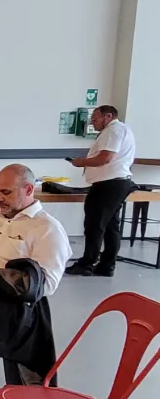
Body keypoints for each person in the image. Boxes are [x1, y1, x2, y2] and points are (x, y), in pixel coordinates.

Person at [0, 164, 71, 387]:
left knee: (24, 326)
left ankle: (29, 389)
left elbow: (47, 284)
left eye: (5, 192)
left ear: (28, 189)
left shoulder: (47, 228)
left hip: (9, 298)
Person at [65, 105, 137, 276]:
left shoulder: (113, 131)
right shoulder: (120, 130)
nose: (92, 121)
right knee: (111, 226)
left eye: (95, 118)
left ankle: (87, 264)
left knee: (94, 225)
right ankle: (107, 265)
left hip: (108, 185)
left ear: (108, 116)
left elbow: (106, 158)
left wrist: (81, 162)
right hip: (117, 183)